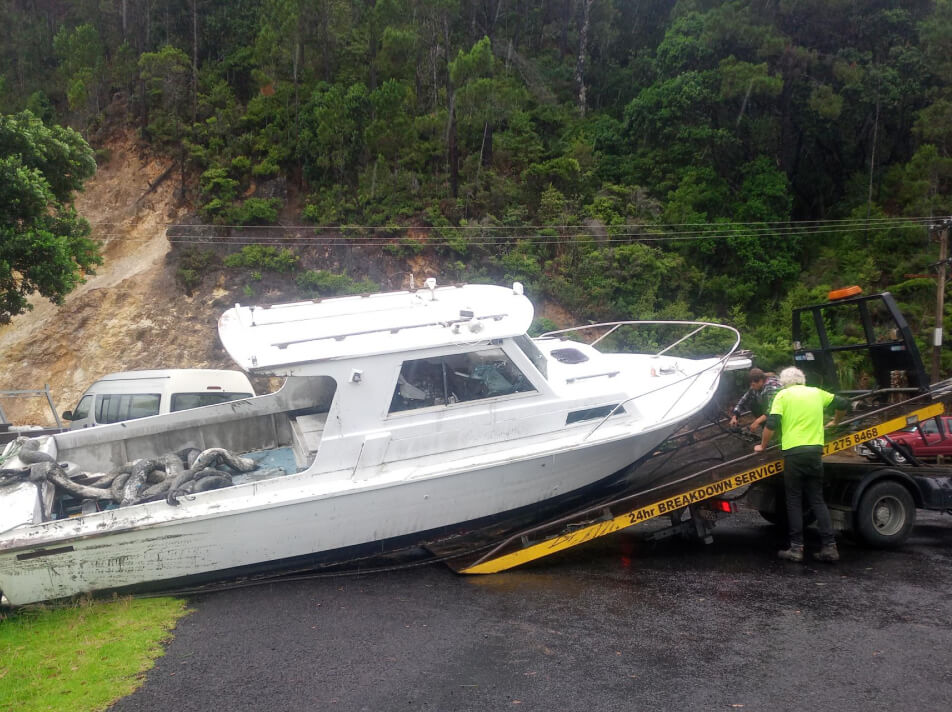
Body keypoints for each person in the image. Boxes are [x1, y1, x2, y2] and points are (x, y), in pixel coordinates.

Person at [753, 366, 849, 563]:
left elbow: (772, 424)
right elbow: (844, 403)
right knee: (817, 499)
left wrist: (762, 446)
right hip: (814, 452)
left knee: (794, 500)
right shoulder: (816, 393)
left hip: (794, 454)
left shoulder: (783, 396)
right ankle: (830, 547)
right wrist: (836, 421)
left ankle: (797, 548)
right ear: (802, 380)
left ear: (783, 382)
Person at [729, 368, 781, 432]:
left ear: (762, 380)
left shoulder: (772, 387)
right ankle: (765, 427)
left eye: (754, 384)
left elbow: (773, 409)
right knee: (752, 403)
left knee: (765, 402)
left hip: (779, 411)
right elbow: (744, 400)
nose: (752, 386)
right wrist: (735, 415)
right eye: (751, 384)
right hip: (768, 410)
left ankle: (773, 428)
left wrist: (757, 421)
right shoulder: (755, 386)